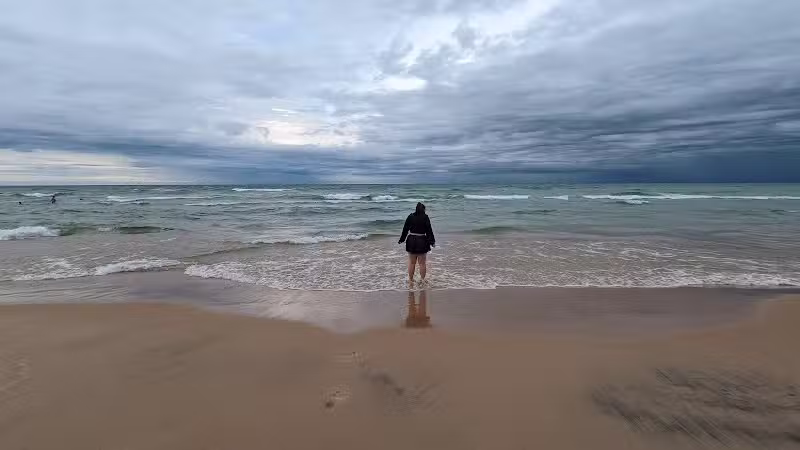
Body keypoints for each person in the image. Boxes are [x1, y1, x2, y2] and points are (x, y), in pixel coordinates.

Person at [398, 202, 435, 284]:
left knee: (412, 262)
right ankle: (423, 280)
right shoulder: (425, 217)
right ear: (423, 210)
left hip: (411, 241)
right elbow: (429, 230)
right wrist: (432, 242)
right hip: (422, 240)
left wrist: (402, 239)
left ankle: (411, 280)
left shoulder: (410, 216)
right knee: (422, 263)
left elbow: (405, 229)